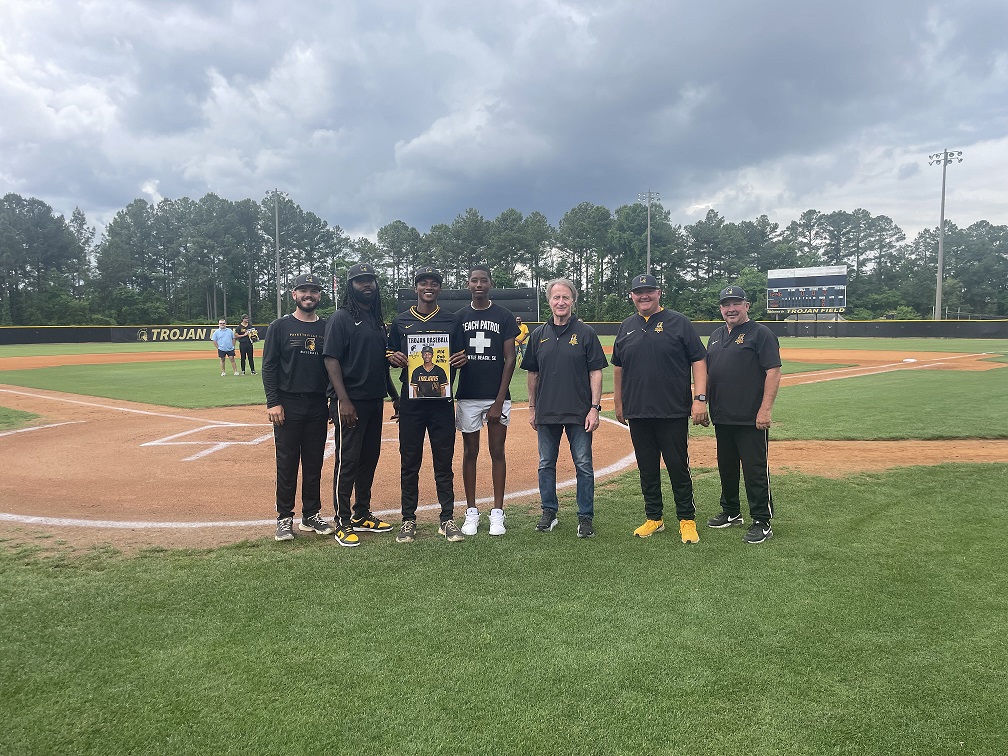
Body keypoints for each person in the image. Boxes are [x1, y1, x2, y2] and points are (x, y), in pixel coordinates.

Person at [612, 274, 708, 544]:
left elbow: (699, 360)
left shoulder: (679, 322)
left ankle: (686, 519)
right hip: (638, 410)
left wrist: (699, 398)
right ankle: (654, 517)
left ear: (658, 293)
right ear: (631, 296)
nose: (644, 296)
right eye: (638, 292)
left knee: (677, 466)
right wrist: (619, 403)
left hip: (672, 410)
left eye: (649, 291)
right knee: (647, 467)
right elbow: (618, 366)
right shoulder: (627, 326)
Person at [386, 265, 468, 544]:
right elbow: (389, 352)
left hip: (441, 402)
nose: (428, 287)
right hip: (411, 403)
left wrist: (461, 359)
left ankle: (447, 520)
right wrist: (394, 357)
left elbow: (461, 354)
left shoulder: (451, 320)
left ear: (439, 288)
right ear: (416, 287)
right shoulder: (400, 321)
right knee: (410, 462)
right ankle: (408, 519)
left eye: (433, 283)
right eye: (423, 283)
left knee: (443, 463)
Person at [521, 278, 608, 538]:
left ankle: (585, 516)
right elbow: (532, 374)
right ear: (549, 301)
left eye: (565, 298)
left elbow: (596, 372)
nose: (560, 302)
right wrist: (532, 406)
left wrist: (594, 408)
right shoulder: (538, 335)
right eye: (556, 297)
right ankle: (549, 512)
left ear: (573, 301)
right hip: (547, 411)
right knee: (546, 463)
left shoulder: (586, 333)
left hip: (579, 412)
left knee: (583, 464)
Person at [324, 263, 399, 547]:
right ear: (350, 286)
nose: (367, 285)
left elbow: (382, 364)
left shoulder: (376, 321)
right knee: (348, 460)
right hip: (349, 401)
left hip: (373, 400)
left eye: (370, 281)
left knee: (369, 458)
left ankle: (361, 512)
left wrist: (394, 395)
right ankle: (342, 521)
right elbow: (331, 359)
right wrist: (343, 400)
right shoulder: (340, 318)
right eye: (360, 281)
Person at [704, 285, 782, 545]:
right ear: (721, 308)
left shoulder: (761, 334)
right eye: (726, 304)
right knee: (726, 467)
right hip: (722, 415)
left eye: (736, 303)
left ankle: (762, 520)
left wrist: (765, 409)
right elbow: (708, 372)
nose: (731, 308)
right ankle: (731, 511)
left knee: (755, 470)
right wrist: (702, 403)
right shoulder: (715, 335)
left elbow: (773, 371)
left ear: (747, 306)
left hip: (751, 417)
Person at [262, 272, 335, 542]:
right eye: (303, 290)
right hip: (288, 404)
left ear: (319, 296)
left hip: (317, 404)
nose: (309, 295)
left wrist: (330, 401)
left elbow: (333, 367)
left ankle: (311, 514)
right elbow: (269, 366)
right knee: (287, 462)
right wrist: (273, 402)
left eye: (314, 291)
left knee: (314, 462)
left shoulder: (327, 327)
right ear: (294, 294)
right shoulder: (279, 327)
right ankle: (284, 517)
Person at [455, 265, 519, 536]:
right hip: (468, 394)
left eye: (483, 280)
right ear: (468, 284)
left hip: (496, 396)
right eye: (474, 280)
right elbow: (450, 357)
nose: (478, 284)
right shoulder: (459, 317)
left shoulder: (503, 316)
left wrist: (498, 400)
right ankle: (471, 512)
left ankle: (497, 513)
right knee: (470, 452)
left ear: (490, 284)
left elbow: (510, 358)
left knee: (497, 452)